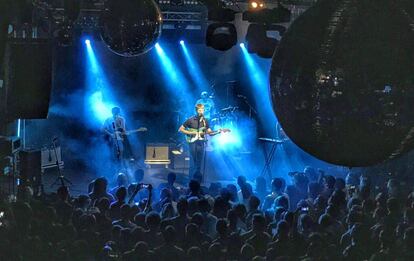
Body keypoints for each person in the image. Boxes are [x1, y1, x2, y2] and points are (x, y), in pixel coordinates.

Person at [179, 104, 223, 178]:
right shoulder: (190, 120)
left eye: (202, 110)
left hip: (201, 142)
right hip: (192, 142)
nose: (201, 112)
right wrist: (191, 133)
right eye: (199, 110)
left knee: (199, 161)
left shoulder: (205, 121)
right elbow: (180, 129)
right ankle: (191, 179)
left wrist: (218, 132)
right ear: (196, 111)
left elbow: (210, 133)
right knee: (193, 161)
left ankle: (198, 179)